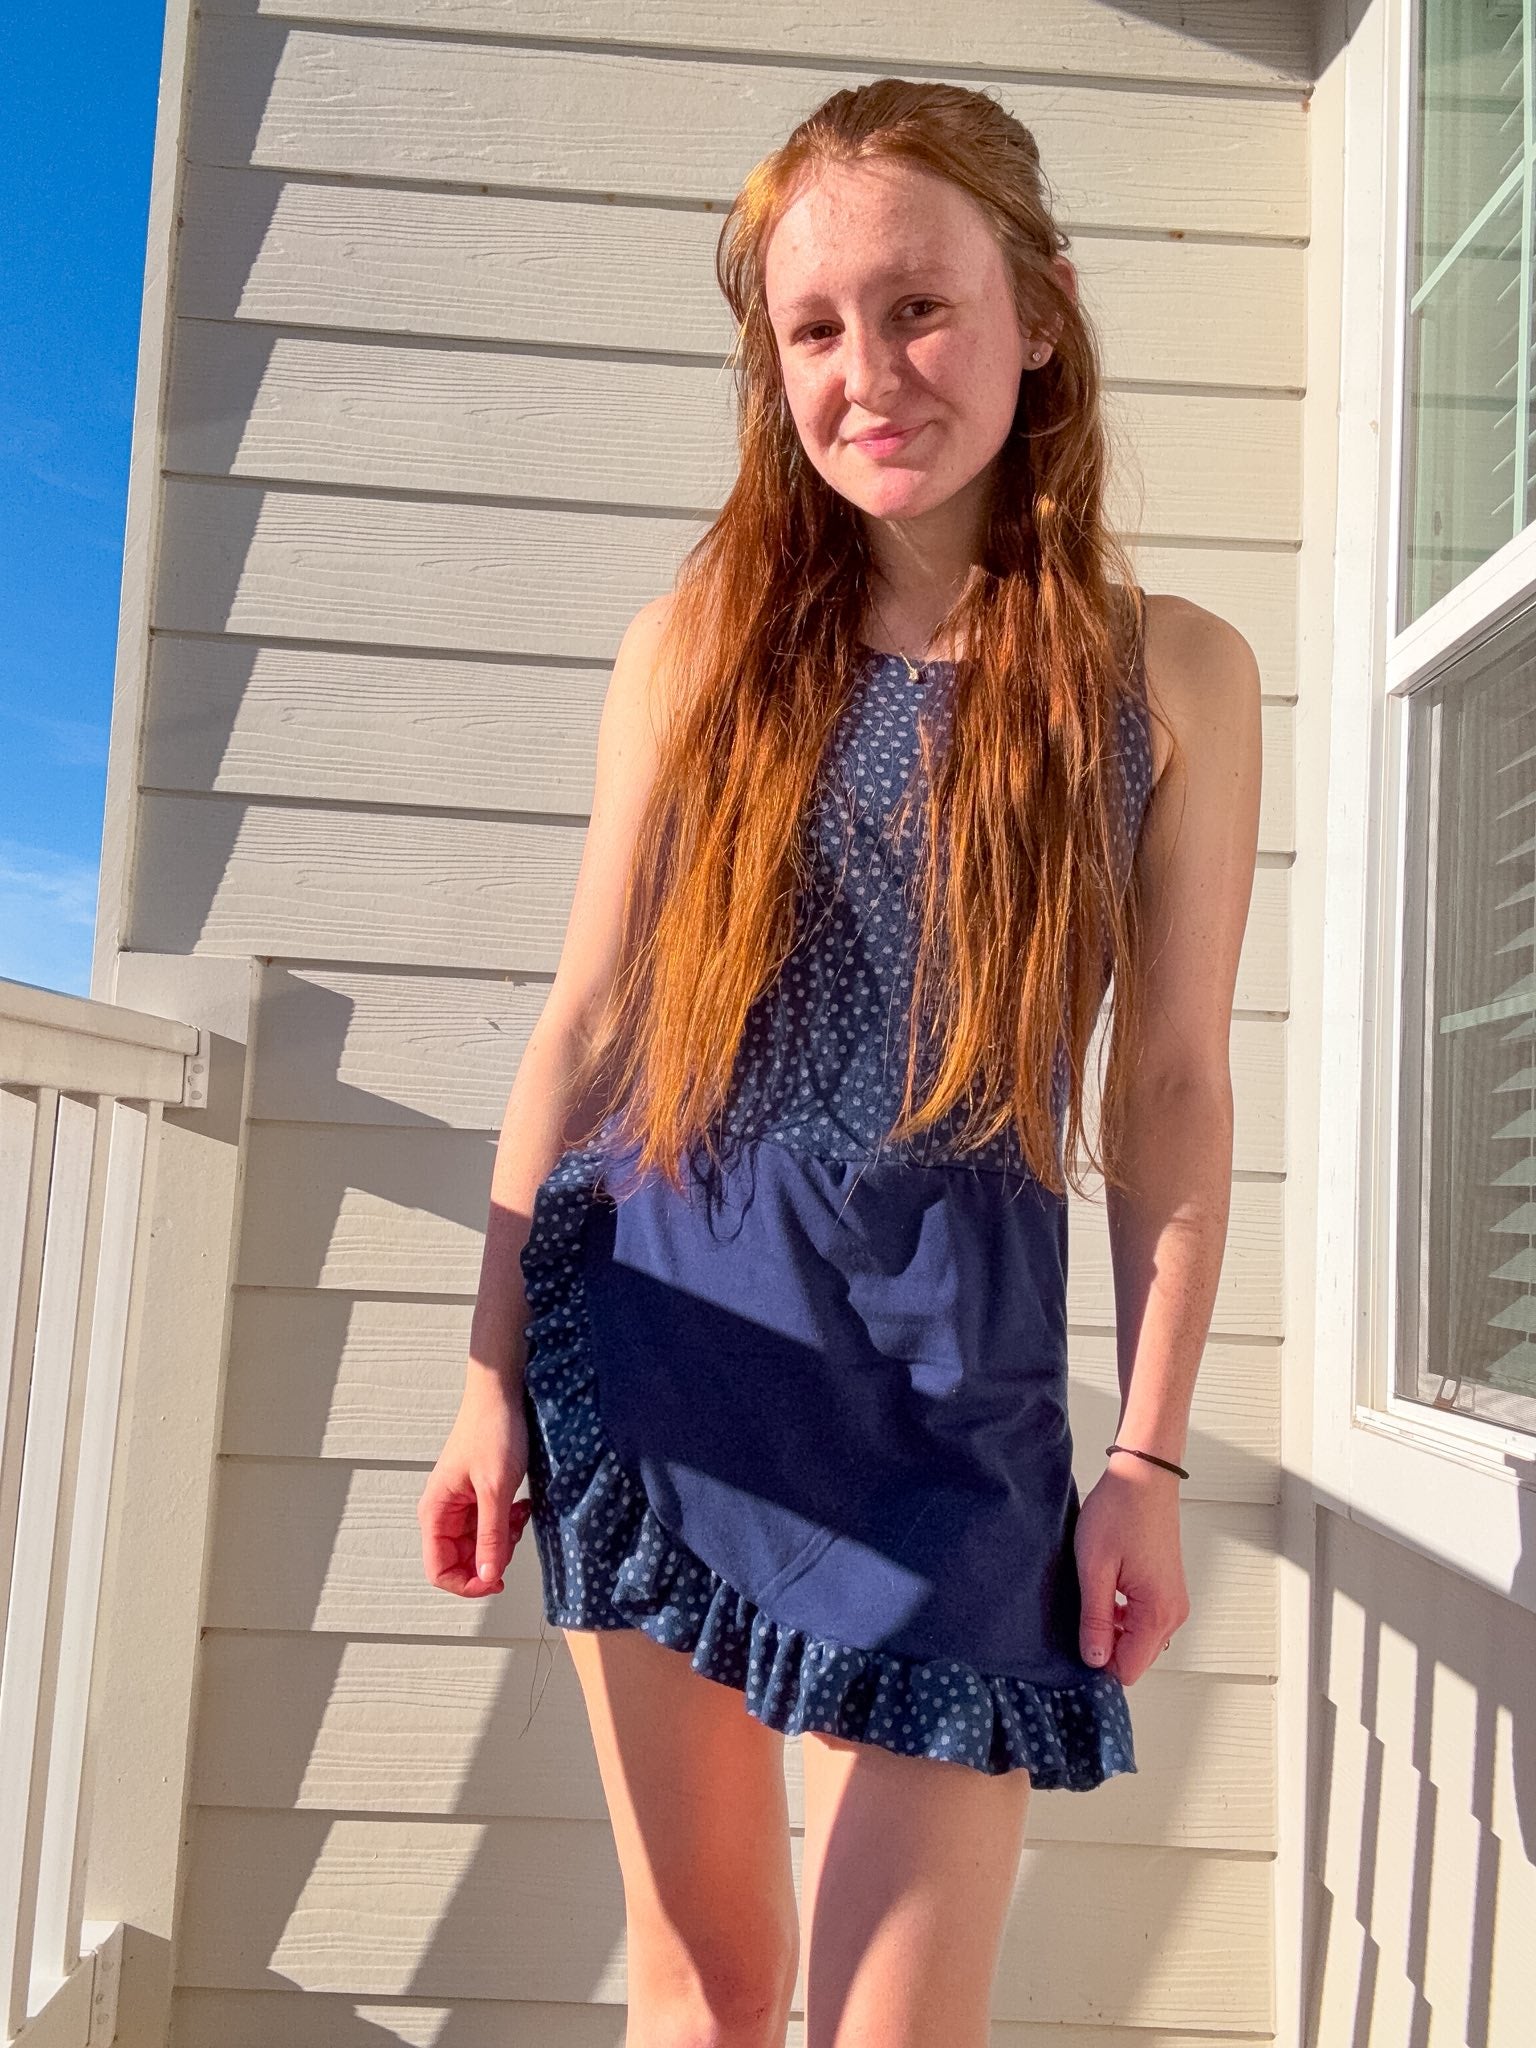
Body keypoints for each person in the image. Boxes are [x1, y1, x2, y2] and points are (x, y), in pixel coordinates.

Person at [418, 76, 1261, 2048]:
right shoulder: (699, 643)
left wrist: (1144, 1457)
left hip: (959, 1377)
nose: (866, 373)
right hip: (670, 1335)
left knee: (898, 2023)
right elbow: (588, 1021)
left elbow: (1170, 1087)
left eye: (919, 307)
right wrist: (484, 1376)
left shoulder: (1171, 672)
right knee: (712, 1993)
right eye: (813, 328)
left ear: (1040, 312)